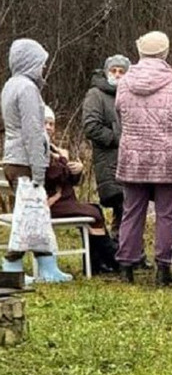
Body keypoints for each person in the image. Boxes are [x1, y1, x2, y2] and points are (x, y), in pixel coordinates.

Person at [115, 31, 172, 286]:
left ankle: (126, 265)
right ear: (165, 52)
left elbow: (120, 114)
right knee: (167, 214)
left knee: (132, 212)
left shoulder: (125, 82)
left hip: (133, 156)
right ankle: (163, 268)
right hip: (168, 158)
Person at [0, 38, 71, 282]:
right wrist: (40, 169)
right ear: (30, 62)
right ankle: (12, 266)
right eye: (41, 63)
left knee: (35, 215)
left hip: (14, 158)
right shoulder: (27, 89)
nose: (43, 69)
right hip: (25, 161)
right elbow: (32, 130)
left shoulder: (10, 85)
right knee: (28, 216)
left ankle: (47, 264)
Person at [43, 107, 118, 275]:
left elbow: (69, 180)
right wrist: (64, 159)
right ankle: (113, 259)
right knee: (95, 214)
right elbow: (52, 176)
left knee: (95, 209)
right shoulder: (40, 149)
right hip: (51, 203)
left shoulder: (53, 149)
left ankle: (96, 264)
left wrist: (78, 170)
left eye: (51, 124)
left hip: (64, 200)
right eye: (44, 123)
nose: (48, 127)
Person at [82, 54, 130, 240]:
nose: (117, 75)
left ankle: (126, 251)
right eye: (113, 70)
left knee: (129, 208)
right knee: (122, 204)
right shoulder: (96, 94)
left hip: (130, 161)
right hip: (109, 160)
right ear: (106, 72)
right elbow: (91, 126)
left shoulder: (130, 94)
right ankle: (124, 251)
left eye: (121, 71)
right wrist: (118, 138)